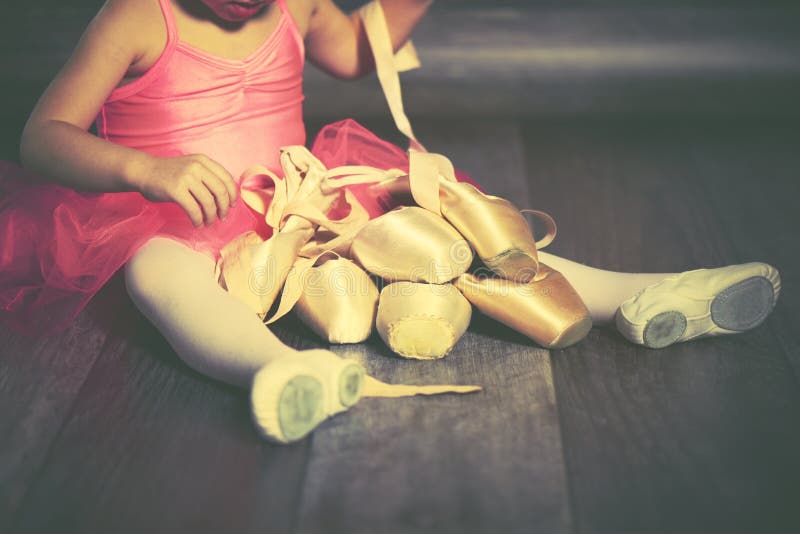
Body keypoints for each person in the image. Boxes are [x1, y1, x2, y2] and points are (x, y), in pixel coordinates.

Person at [0, 0, 781, 443]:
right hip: (171, 215)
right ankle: (271, 367)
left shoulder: (295, 4)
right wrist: (145, 169)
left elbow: (353, 48)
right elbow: (42, 135)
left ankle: (634, 295)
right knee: (156, 272)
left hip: (298, 212)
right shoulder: (135, 16)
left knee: (454, 237)